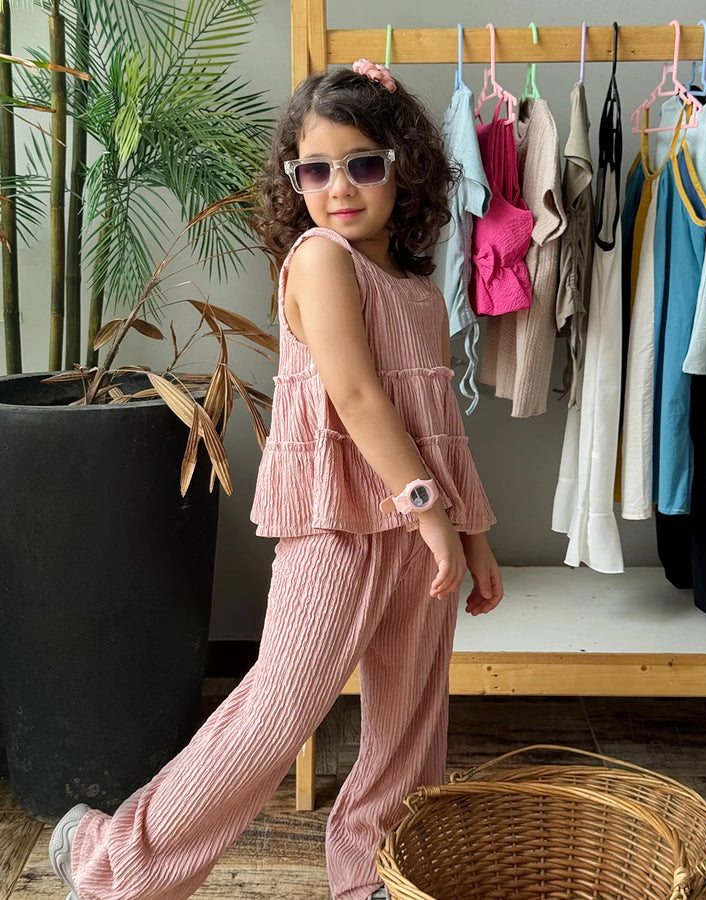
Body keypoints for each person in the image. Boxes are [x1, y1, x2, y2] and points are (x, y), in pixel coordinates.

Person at [49, 60, 503, 900]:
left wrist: (469, 532)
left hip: (419, 531)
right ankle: (108, 858)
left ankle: (370, 875)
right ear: (294, 178)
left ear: (405, 165)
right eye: (316, 168)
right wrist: (429, 510)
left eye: (363, 163)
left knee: (411, 721)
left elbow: (438, 427)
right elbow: (360, 398)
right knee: (278, 712)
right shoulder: (321, 260)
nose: (338, 186)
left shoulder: (420, 292)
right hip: (340, 520)